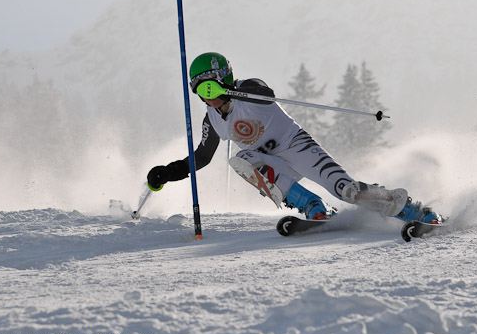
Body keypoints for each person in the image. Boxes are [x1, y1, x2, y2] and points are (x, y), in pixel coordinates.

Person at [147, 52, 442, 225]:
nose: (208, 99)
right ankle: (312, 206)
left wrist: (237, 91)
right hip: (271, 162)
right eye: (201, 93)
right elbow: (202, 157)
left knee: (346, 190)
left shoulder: (249, 90)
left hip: (297, 146)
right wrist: (167, 173)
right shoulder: (212, 120)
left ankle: (411, 210)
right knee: (242, 160)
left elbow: (266, 93)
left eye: (210, 89)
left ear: (224, 79)